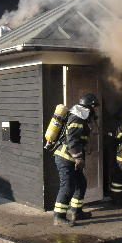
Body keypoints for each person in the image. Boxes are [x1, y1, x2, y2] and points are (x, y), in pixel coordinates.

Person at [53, 93, 98, 226]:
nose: (94, 110)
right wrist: (78, 157)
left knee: (81, 184)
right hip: (65, 157)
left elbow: (79, 138)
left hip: (71, 158)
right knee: (67, 186)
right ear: (88, 107)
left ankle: (76, 212)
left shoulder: (81, 118)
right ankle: (58, 217)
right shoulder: (77, 118)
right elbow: (72, 140)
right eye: (93, 107)